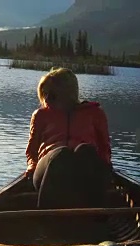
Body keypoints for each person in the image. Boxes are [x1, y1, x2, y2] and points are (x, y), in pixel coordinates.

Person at [25, 67, 113, 209]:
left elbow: (104, 148)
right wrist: (32, 167)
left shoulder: (95, 113)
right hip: (47, 173)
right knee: (61, 154)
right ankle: (44, 220)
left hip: (82, 175)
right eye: (44, 93)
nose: (46, 99)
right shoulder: (41, 115)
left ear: (68, 93)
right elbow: (31, 150)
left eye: (52, 95)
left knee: (86, 151)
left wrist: (106, 168)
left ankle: (98, 218)